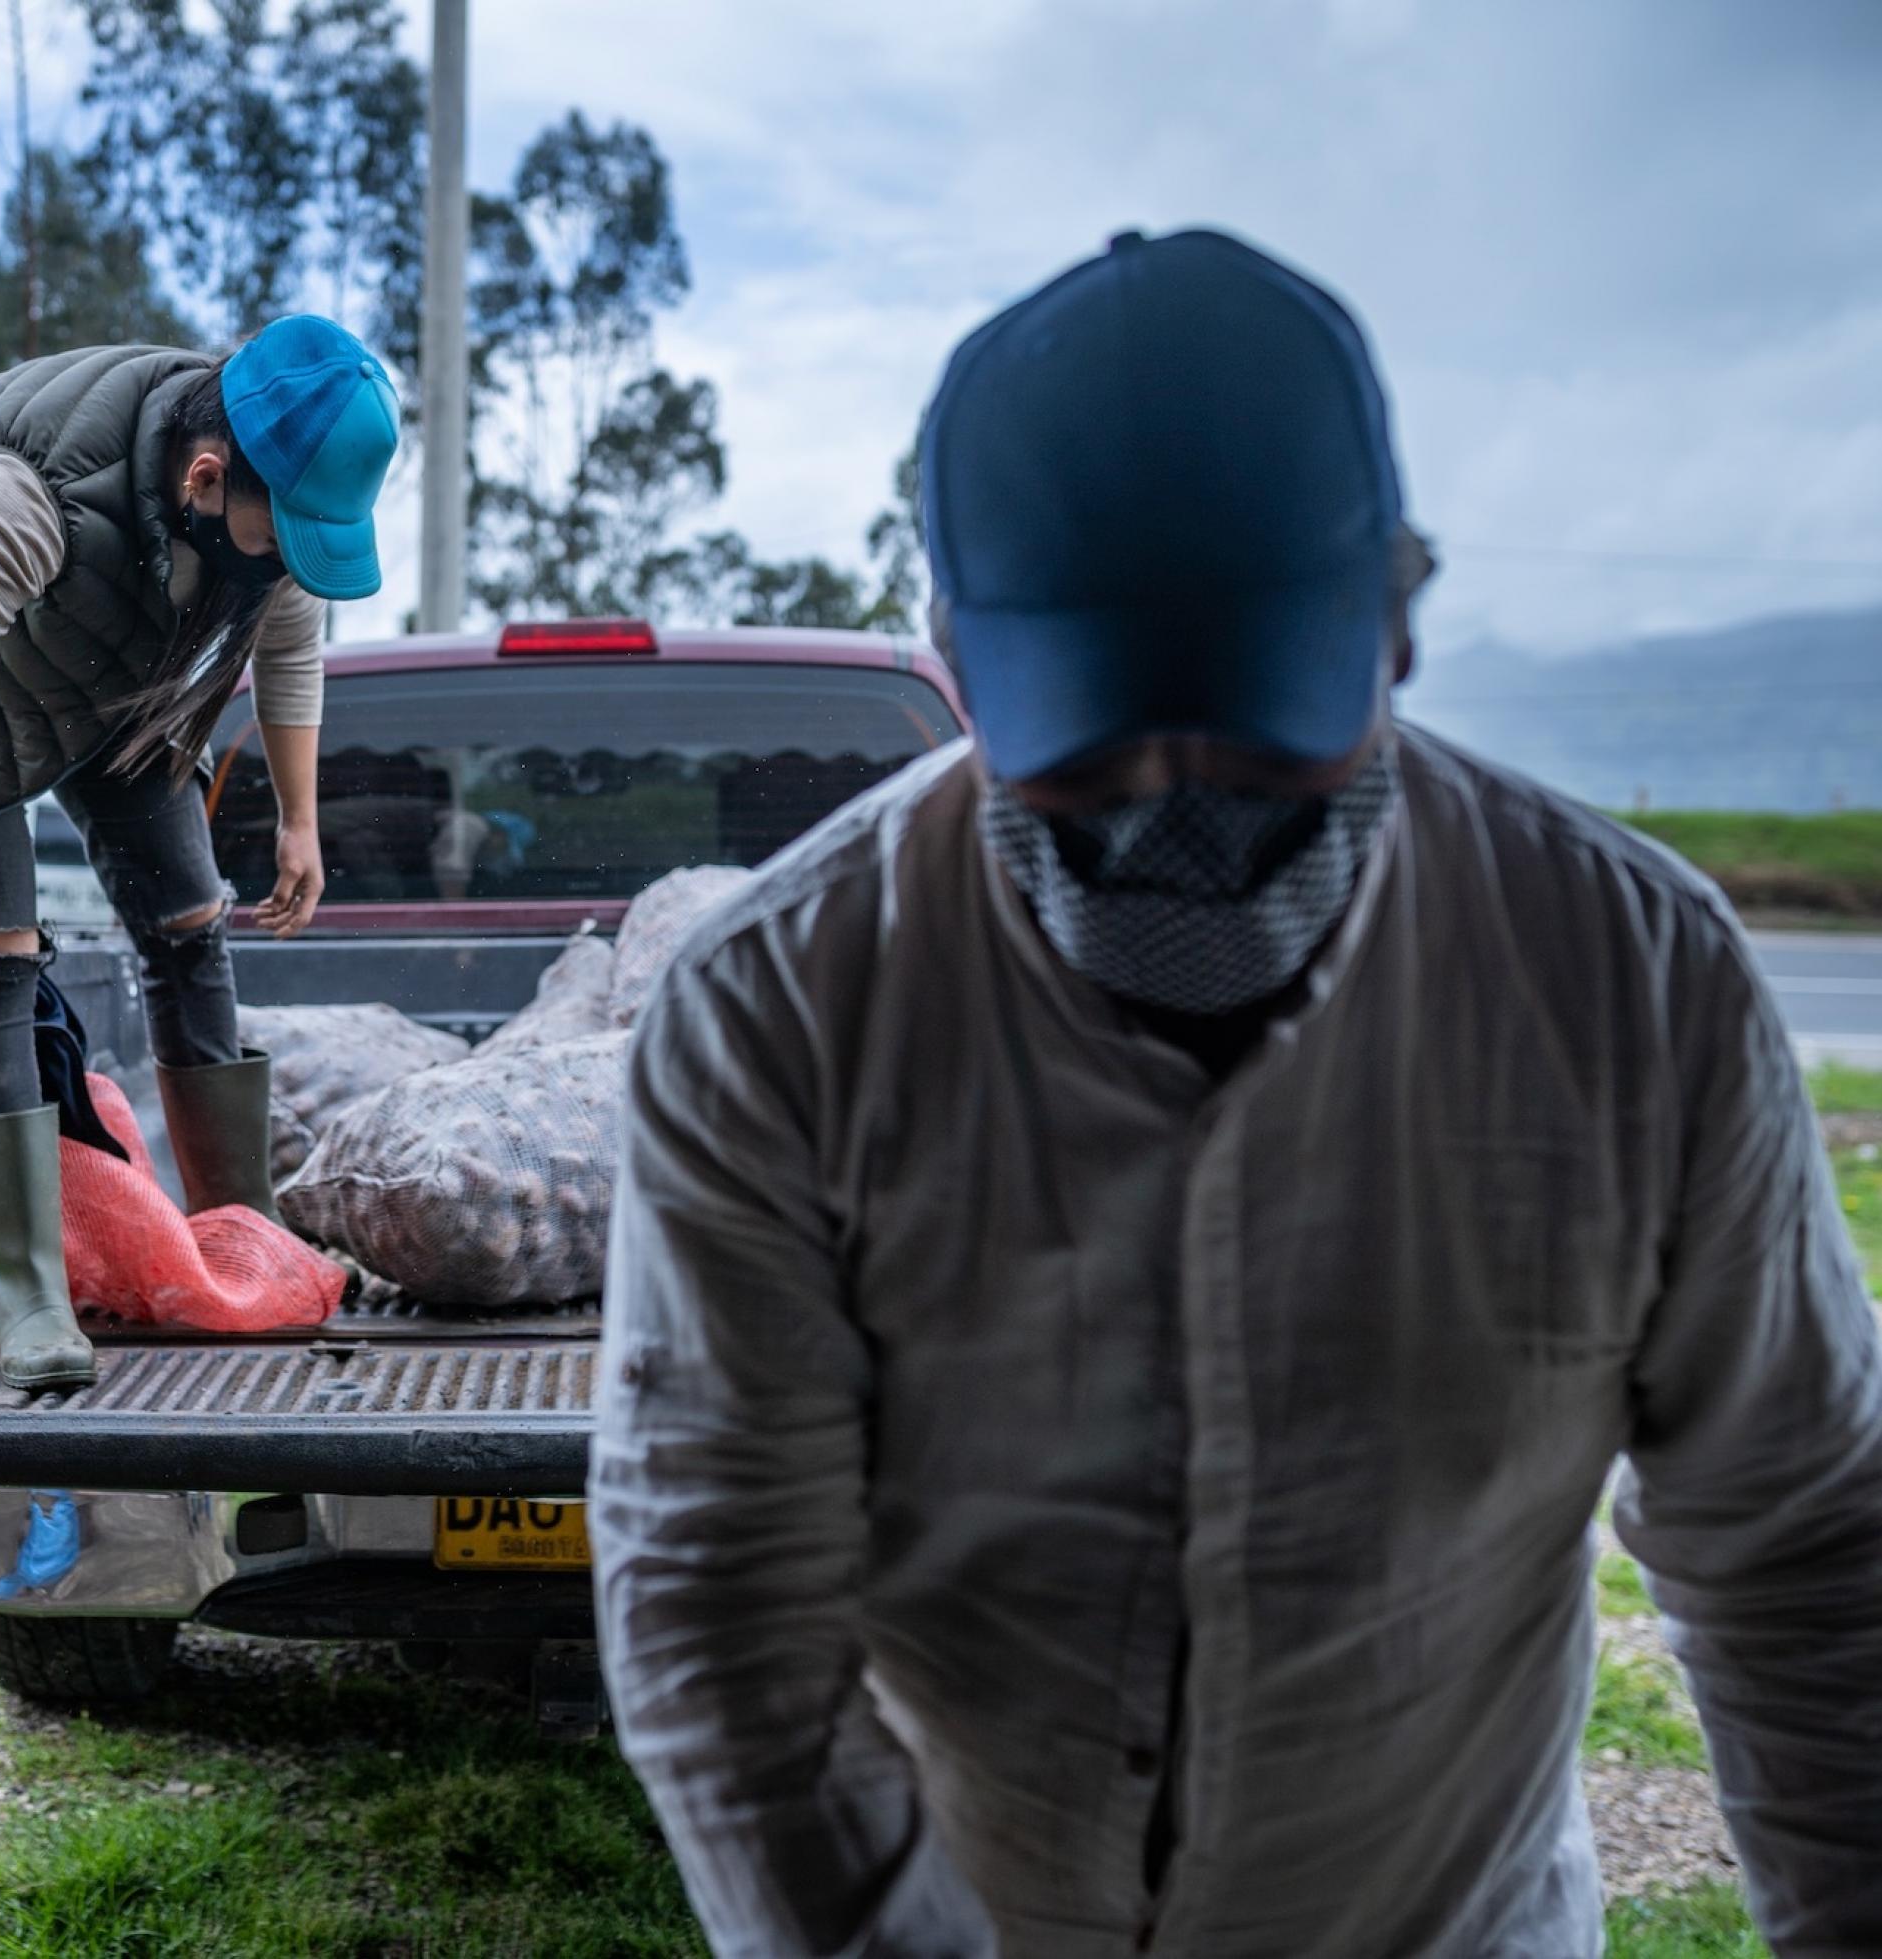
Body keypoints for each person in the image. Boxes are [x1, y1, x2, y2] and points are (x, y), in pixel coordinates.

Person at [591, 228, 1882, 1956]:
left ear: (1401, 611)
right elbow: (723, 1612)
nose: (1179, 806)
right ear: (956, 659)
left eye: (1259, 724)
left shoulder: (1636, 984)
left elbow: (1803, 1554)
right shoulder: (774, 1015)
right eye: (1098, 738)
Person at [0, 316, 399, 1390]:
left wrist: (299, 818)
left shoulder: (259, 502)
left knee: (195, 923)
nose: (291, 557)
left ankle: (245, 1232)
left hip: (102, 679)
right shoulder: (38, 492)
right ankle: (32, 1297)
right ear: (205, 480)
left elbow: (293, 645)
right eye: (282, 533)